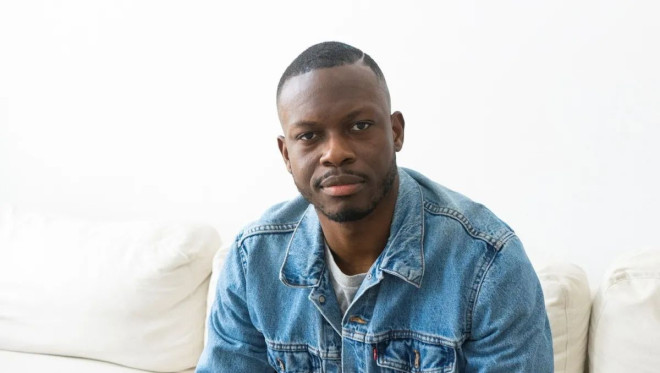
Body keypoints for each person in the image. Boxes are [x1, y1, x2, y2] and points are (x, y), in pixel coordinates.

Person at [196, 41, 553, 372]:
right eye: (309, 136)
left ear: (396, 132)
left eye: (359, 125)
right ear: (287, 154)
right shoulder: (252, 262)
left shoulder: (486, 263)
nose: (335, 153)